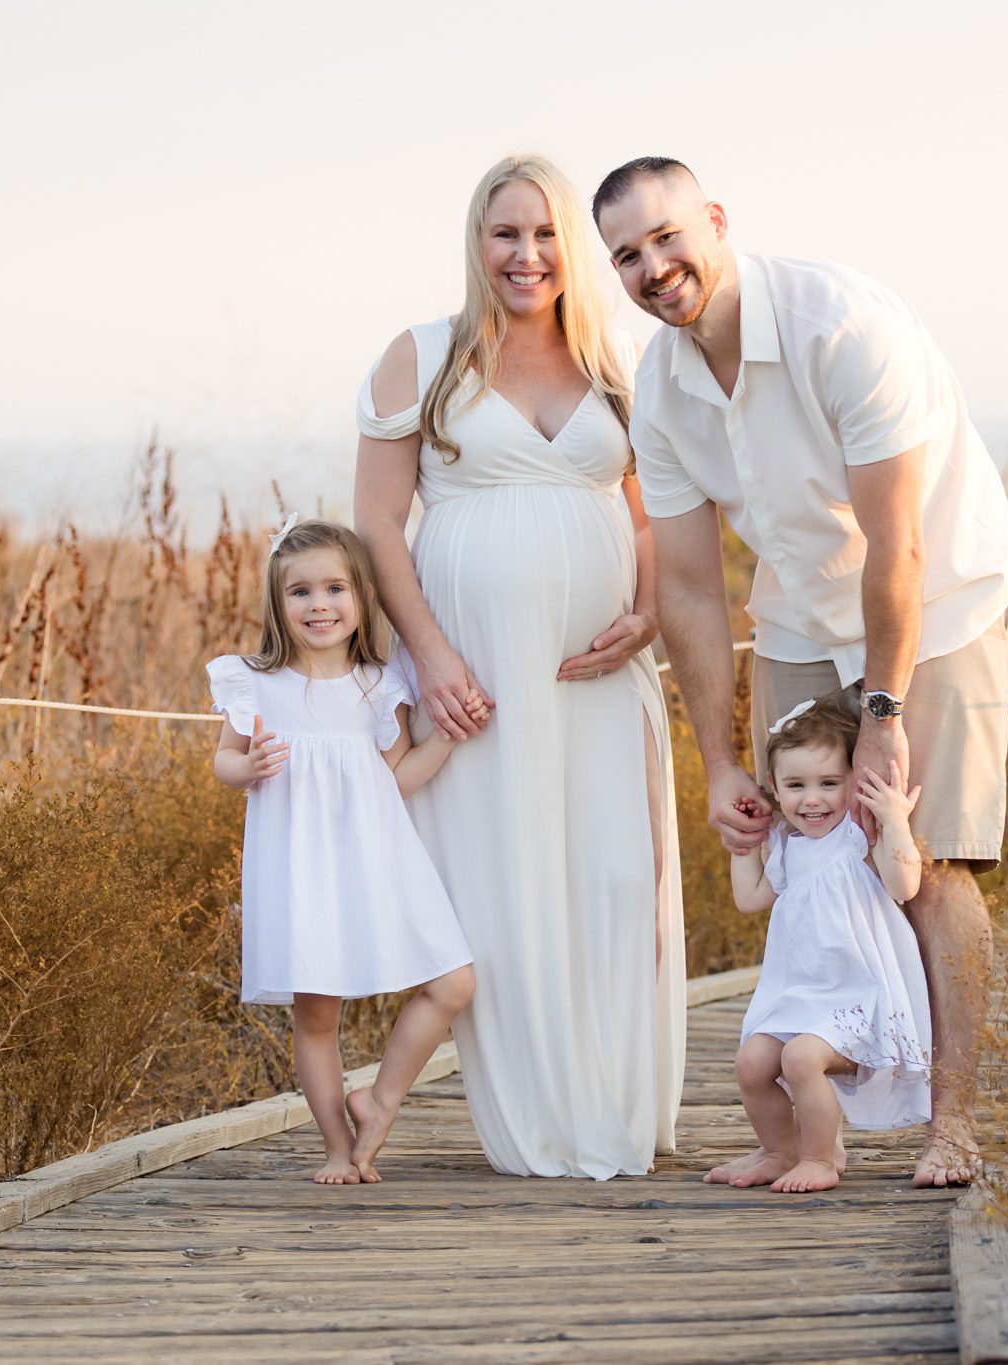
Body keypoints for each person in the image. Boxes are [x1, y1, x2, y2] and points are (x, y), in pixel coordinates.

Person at [593, 156, 1008, 1187]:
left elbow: (898, 549)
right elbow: (694, 593)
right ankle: (800, 1128)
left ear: (712, 220)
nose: (653, 269)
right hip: (796, 614)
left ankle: (950, 1122)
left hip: (941, 598)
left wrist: (882, 710)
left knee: (934, 858)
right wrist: (715, 762)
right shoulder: (657, 392)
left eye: (666, 238)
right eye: (626, 256)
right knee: (798, 846)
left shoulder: (842, 326)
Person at [354, 153, 686, 1180]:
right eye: (506, 233)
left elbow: (650, 514)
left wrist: (646, 616)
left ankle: (621, 1112)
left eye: (545, 235)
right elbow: (375, 518)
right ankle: (536, 1121)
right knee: (504, 886)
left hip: (600, 671)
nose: (526, 254)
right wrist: (433, 656)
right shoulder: (419, 356)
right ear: (475, 241)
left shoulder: (617, 357)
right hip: (479, 684)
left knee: (617, 874)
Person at [208, 518, 477, 1185]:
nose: (319, 604)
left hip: (378, 858)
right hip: (301, 869)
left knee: (453, 981)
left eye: (334, 588)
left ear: (361, 597)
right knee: (317, 1011)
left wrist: (446, 739)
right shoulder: (256, 683)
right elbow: (223, 758)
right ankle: (336, 1145)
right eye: (300, 592)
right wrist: (246, 770)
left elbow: (397, 777)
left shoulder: (381, 684)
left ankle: (379, 1100)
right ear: (278, 604)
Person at [713, 695, 932, 1194]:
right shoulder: (789, 846)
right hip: (800, 995)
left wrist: (895, 821)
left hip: (856, 995)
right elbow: (750, 898)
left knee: (801, 1059)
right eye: (795, 786)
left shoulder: (857, 836)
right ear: (774, 788)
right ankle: (778, 1151)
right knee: (751, 1063)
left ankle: (820, 1158)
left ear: (853, 783)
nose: (812, 800)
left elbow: (904, 887)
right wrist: (744, 845)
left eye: (829, 784)